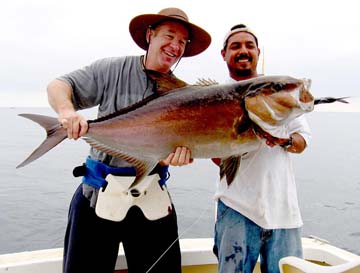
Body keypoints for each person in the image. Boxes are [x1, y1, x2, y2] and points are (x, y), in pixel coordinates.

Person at [46, 7, 211, 273]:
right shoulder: (112, 70)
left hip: (151, 196)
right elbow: (59, 85)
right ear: (150, 35)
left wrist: (177, 154)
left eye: (182, 42)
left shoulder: (184, 95)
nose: (175, 46)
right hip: (97, 194)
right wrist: (66, 112)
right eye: (169, 36)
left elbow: (183, 144)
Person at [213, 24, 311, 273]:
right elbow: (217, 159)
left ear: (258, 52)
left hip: (284, 211)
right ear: (223, 53)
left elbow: (302, 140)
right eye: (235, 46)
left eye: (249, 45)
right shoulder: (213, 97)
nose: (243, 50)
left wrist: (284, 141)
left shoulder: (281, 93)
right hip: (236, 207)